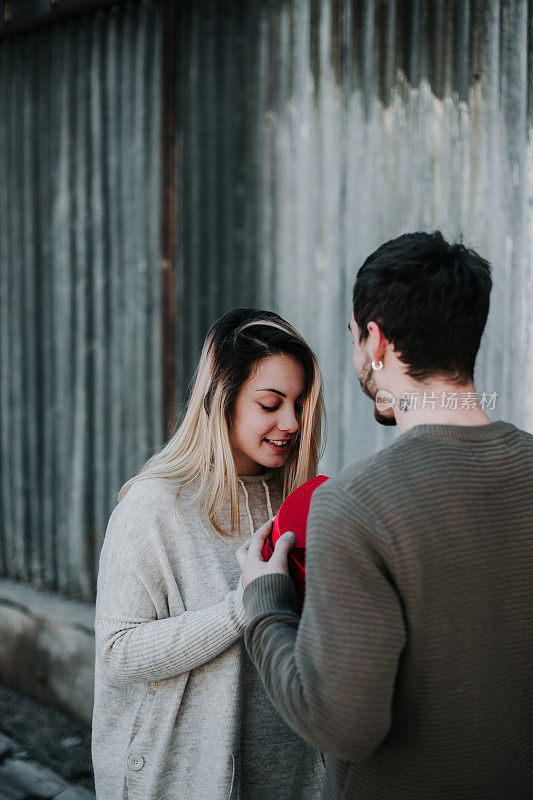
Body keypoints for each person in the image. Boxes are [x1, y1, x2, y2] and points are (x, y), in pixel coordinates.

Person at [237, 232, 533, 800]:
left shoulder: (355, 507)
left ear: (376, 341)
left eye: (353, 337)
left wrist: (266, 602)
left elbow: (342, 726)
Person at [91, 308, 327, 800]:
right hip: (182, 775)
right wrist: (242, 607)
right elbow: (119, 651)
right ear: (223, 400)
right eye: (270, 403)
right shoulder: (154, 506)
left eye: (301, 403)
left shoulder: (297, 500)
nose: (291, 422)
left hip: (289, 772)